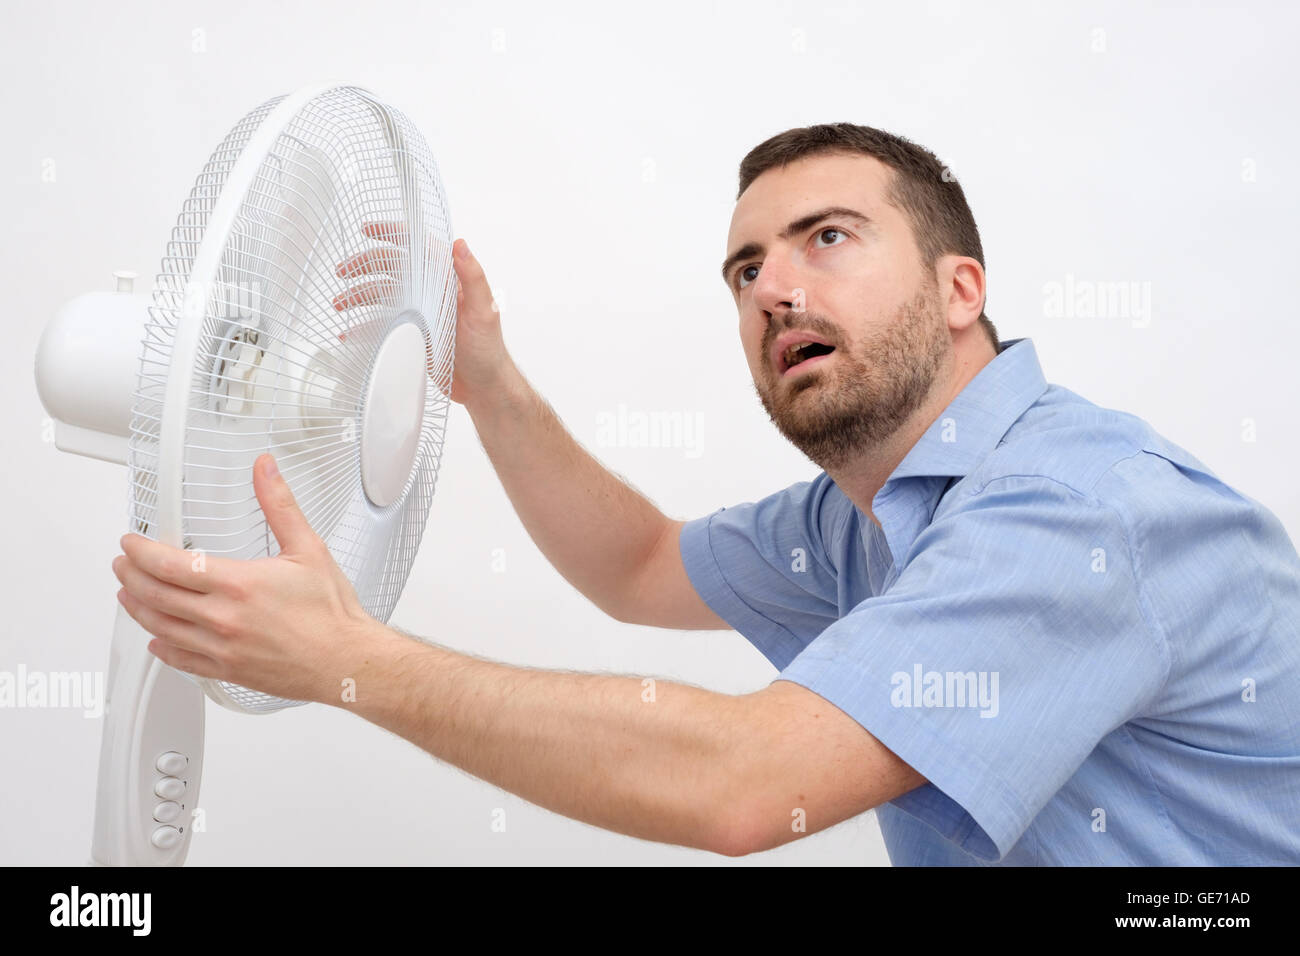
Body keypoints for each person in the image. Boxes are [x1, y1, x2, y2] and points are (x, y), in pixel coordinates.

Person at [113, 124, 1300, 864]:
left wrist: (348, 660)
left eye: (826, 237)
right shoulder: (865, 517)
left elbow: (744, 787)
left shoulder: (1077, 509)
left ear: (959, 288)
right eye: (745, 268)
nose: (773, 289)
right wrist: (488, 382)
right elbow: (638, 563)